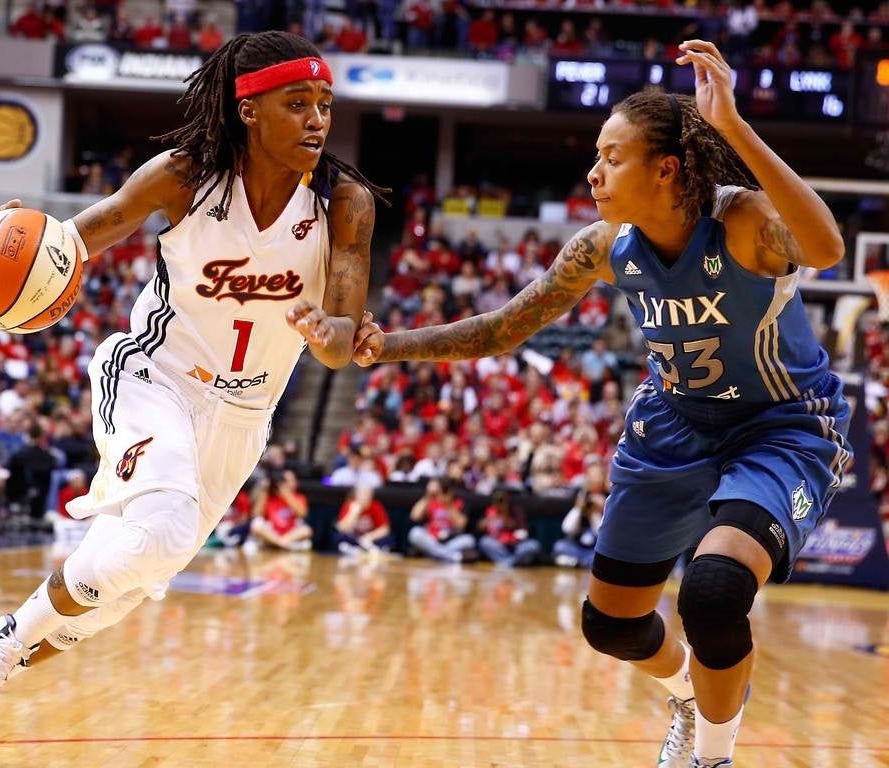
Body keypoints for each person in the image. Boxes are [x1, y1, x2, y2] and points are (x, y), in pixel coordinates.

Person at [354, 40, 850, 768]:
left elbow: (828, 248)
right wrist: (388, 345)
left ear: (666, 169)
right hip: (674, 424)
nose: (593, 172)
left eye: (612, 158)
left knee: (713, 591)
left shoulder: (743, 221)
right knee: (611, 625)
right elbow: (503, 327)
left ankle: (713, 757)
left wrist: (734, 126)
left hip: (778, 425)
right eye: (596, 156)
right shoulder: (604, 247)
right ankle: (690, 696)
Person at [0, 31, 388, 767]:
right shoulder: (184, 177)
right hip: (153, 378)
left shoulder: (345, 203)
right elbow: (69, 245)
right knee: (160, 535)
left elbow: (333, 348)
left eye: (325, 104)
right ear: (248, 110)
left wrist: (328, 328)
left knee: (118, 592)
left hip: (245, 418)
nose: (317, 120)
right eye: (297, 103)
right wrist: (2, 240)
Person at [407, 478, 474, 563]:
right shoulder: (430, 500)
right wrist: (428, 496)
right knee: (415, 533)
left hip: (450, 540)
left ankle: (434, 554)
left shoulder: (459, 503)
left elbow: (461, 525)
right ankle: (452, 556)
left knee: (469, 540)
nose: (443, 493)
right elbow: (414, 516)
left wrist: (448, 505)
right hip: (432, 539)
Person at [250, 469, 313, 550]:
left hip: (290, 534)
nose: (285, 483)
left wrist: (285, 493)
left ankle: (277, 543)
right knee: (256, 524)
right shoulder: (268, 498)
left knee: (306, 530)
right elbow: (256, 514)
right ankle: (282, 544)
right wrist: (264, 490)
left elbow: (302, 514)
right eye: (284, 481)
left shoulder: (299, 497)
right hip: (272, 533)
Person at [477, 488, 542, 568]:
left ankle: (508, 563)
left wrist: (504, 516)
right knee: (485, 541)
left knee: (533, 545)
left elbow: (522, 532)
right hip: (499, 546)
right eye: (498, 501)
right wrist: (489, 520)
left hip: (516, 545)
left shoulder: (516, 511)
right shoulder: (491, 511)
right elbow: (480, 527)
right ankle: (510, 562)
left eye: (502, 500)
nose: (500, 504)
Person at [333, 483, 393, 555]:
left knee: (388, 538)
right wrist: (353, 513)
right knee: (339, 537)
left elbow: (385, 529)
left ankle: (375, 549)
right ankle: (355, 550)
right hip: (354, 538)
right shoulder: (349, 505)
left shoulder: (376, 506)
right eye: (364, 494)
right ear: (356, 494)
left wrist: (369, 537)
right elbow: (341, 528)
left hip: (370, 539)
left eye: (369, 494)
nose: (366, 497)